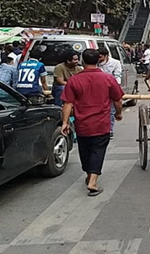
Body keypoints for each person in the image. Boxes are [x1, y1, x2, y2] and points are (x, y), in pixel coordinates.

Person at [61, 49, 124, 196]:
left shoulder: (74, 80)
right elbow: (117, 100)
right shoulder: (108, 79)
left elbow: (67, 103)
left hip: (82, 123)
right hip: (101, 123)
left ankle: (90, 175)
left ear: (83, 61)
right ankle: (93, 181)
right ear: (98, 61)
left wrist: (65, 122)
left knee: (85, 150)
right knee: (98, 150)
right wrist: (119, 113)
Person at [98, 47, 123, 139]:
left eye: (100, 57)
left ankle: (110, 130)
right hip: (98, 90)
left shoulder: (115, 63)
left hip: (111, 88)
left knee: (111, 111)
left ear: (106, 56)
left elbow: (117, 77)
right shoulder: (96, 64)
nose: (99, 59)